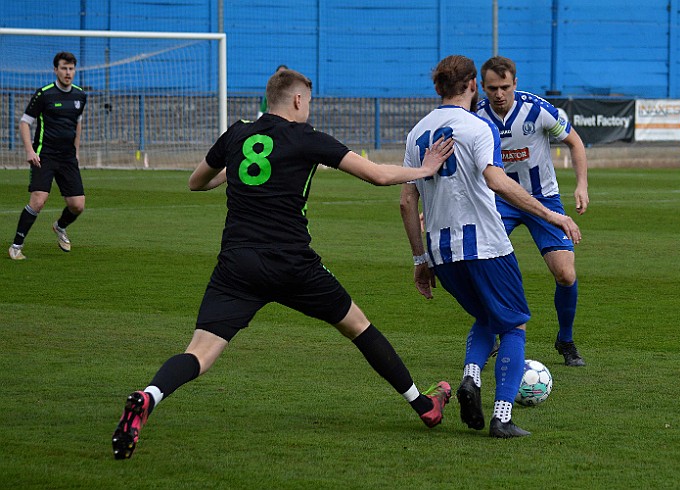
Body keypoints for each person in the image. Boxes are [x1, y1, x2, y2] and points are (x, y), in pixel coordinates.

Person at [112, 68, 454, 460]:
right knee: (358, 326)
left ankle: (148, 395)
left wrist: (242, 173)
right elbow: (376, 175)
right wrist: (425, 169)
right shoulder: (305, 137)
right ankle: (423, 405)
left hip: (237, 265)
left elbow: (196, 182)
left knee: (200, 352)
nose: (309, 106)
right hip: (293, 263)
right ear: (296, 100)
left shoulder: (237, 133)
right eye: (308, 100)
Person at [400, 55, 581, 437]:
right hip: (485, 245)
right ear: (473, 86)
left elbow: (406, 201)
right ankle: (502, 416)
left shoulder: (416, 133)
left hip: (440, 252)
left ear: (437, 88)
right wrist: (553, 216)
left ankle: (471, 378)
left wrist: (420, 259)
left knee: (486, 317)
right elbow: (497, 181)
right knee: (513, 326)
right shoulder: (479, 127)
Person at [476, 55, 589, 367]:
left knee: (566, 274)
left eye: (504, 87)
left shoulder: (538, 110)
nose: (498, 94)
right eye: (492, 88)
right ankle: (499, 337)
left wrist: (581, 185)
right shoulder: (475, 115)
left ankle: (565, 339)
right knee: (487, 269)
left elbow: (575, 143)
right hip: (498, 201)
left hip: (544, 198)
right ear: (482, 87)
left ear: (515, 84)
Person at [8, 52, 87, 260]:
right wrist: (29, 151)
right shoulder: (44, 94)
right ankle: (16, 245)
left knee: (77, 205)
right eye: (64, 68)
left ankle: (60, 226)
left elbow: (77, 123)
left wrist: (76, 150)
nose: (68, 72)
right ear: (56, 70)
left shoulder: (80, 95)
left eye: (71, 69)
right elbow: (25, 122)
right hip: (44, 155)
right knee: (38, 200)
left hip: (68, 157)